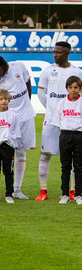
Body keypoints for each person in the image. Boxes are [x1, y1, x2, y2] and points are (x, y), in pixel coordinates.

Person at [0, 55, 35, 201]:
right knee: (1, 154)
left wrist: (27, 103)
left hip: (25, 117)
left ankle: (17, 190)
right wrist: (2, 115)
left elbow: (28, 82)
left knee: (21, 153)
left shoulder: (19, 66)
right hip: (7, 121)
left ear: (4, 65)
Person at [36, 41, 82, 201]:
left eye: (59, 52)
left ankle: (72, 190)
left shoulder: (77, 72)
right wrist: (52, 110)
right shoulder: (48, 71)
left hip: (72, 123)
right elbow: (41, 93)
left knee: (74, 158)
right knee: (45, 155)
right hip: (51, 121)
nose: (55, 55)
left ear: (67, 53)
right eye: (54, 52)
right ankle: (43, 191)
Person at [52, 76, 82, 205]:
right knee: (65, 167)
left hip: (79, 135)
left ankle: (79, 194)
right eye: (71, 87)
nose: (73, 90)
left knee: (79, 167)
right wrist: (64, 135)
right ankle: (64, 194)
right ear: (67, 88)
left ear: (80, 89)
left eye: (76, 87)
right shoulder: (62, 103)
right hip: (65, 135)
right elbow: (58, 122)